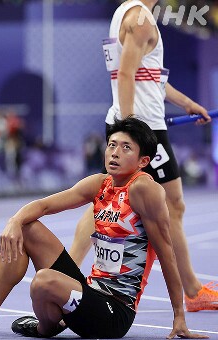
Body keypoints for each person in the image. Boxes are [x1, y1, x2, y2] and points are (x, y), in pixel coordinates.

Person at [0, 118, 209, 340]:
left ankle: (46, 327)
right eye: (112, 144)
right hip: (90, 291)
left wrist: (179, 317)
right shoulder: (101, 184)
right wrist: (14, 221)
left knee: (44, 282)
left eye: (126, 148)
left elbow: (166, 252)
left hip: (114, 312)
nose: (115, 152)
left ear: (143, 161)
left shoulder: (144, 189)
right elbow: (43, 206)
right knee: (27, 228)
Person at [69, 0, 217, 312]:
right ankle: (191, 290)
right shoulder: (141, 19)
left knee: (106, 198)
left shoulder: (126, 12)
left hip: (132, 121)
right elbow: (125, 75)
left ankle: (67, 268)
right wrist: (133, 129)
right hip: (143, 126)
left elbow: (148, 77)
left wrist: (187, 103)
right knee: (173, 204)